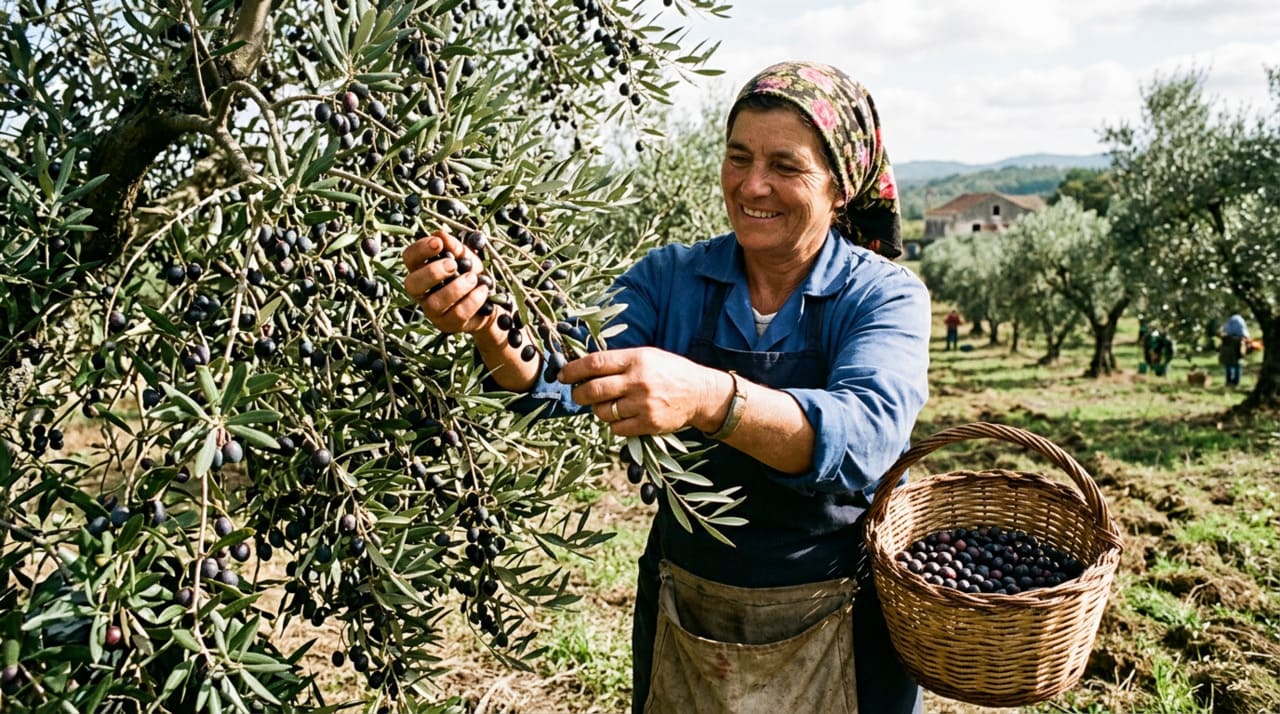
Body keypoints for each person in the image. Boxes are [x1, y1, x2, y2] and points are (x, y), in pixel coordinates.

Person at [402, 61, 930, 713]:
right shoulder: (671, 280)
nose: (752, 185)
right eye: (738, 158)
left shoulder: (882, 295)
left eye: (785, 167)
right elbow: (556, 374)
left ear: (838, 186)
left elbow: (868, 437)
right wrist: (484, 318)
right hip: (690, 615)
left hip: (847, 624)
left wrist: (711, 398)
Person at [1219, 313, 1250, 387]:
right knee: (1237, 364)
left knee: (1229, 364)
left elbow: (1224, 333)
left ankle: (1228, 381)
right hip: (1238, 344)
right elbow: (1245, 334)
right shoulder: (1241, 321)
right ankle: (1236, 382)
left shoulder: (1230, 322)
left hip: (1229, 343)